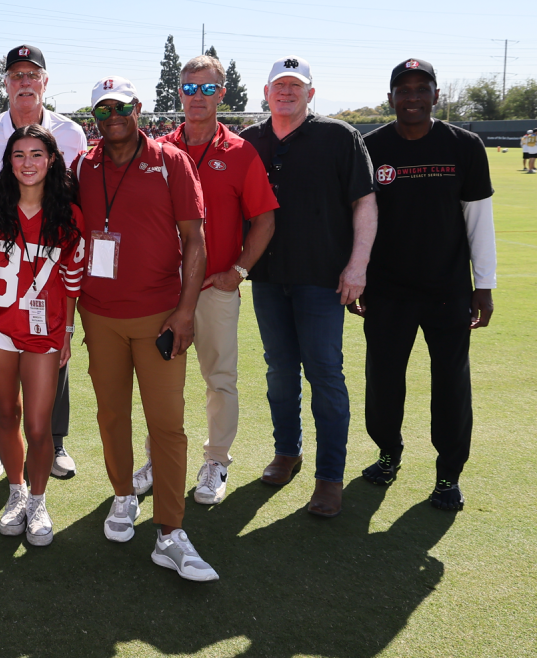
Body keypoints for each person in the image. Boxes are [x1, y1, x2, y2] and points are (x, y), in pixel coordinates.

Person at [76, 76, 216, 581]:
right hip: (99, 314)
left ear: (138, 108)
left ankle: (171, 532)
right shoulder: (83, 165)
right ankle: (121, 496)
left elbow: (195, 241)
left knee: (167, 424)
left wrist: (184, 312)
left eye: (121, 106)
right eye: (102, 109)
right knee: (112, 414)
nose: (112, 115)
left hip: (159, 315)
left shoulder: (171, 161)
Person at [240, 55, 378, 518]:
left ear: (310, 94)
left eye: (295, 86)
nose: (286, 92)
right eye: (279, 85)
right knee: (279, 372)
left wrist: (357, 266)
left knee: (325, 375)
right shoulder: (248, 141)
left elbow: (364, 202)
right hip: (267, 279)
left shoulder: (340, 137)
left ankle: (329, 478)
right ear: (265, 92)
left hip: (321, 279)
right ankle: (287, 452)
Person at [357, 58, 496, 511]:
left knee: (451, 386)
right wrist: (355, 274)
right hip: (386, 291)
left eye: (422, 88)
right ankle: (387, 453)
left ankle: (447, 477)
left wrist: (484, 285)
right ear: (391, 96)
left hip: (447, 290)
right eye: (404, 89)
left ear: (436, 95)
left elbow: (479, 219)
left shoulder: (465, 146)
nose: (412, 97)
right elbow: (355, 219)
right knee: (383, 381)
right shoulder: (368, 146)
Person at [152, 55, 278, 505]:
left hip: (215, 289)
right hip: (165, 289)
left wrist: (239, 271)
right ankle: (159, 457)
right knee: (161, 379)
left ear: (223, 94)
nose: (197, 97)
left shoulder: (242, 152)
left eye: (208, 89)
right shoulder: (160, 149)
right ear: (179, 92)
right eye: (189, 88)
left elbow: (264, 220)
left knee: (219, 377)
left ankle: (217, 460)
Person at [0, 45, 88, 481]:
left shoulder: (72, 134)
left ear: (45, 81)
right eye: (16, 75)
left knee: (53, 353)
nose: (24, 82)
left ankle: (55, 442)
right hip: (3, 270)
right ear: (6, 84)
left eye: (31, 75)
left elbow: (76, 201)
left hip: (49, 262)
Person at [0, 124, 85, 546]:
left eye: (37, 154)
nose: (28, 163)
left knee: (38, 427)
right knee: (6, 415)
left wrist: (68, 331)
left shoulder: (68, 214)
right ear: (8, 161)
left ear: (52, 159)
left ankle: (38, 499)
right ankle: (16, 493)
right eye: (19, 155)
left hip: (45, 330)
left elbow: (72, 281)